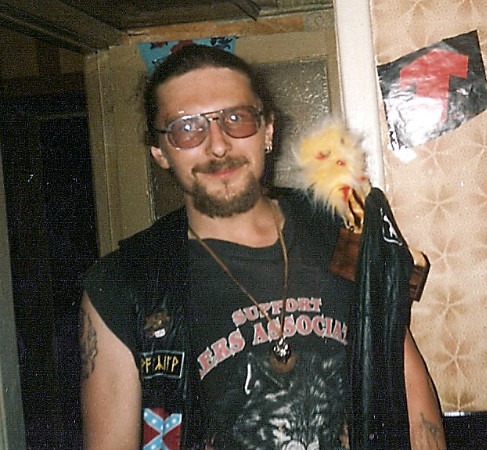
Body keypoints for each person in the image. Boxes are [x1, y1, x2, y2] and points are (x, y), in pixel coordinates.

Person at [79, 44, 446, 450]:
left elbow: (406, 384)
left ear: (268, 130)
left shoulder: (341, 231)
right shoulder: (123, 284)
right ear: (160, 151)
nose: (218, 145)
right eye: (187, 128)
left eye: (236, 118)